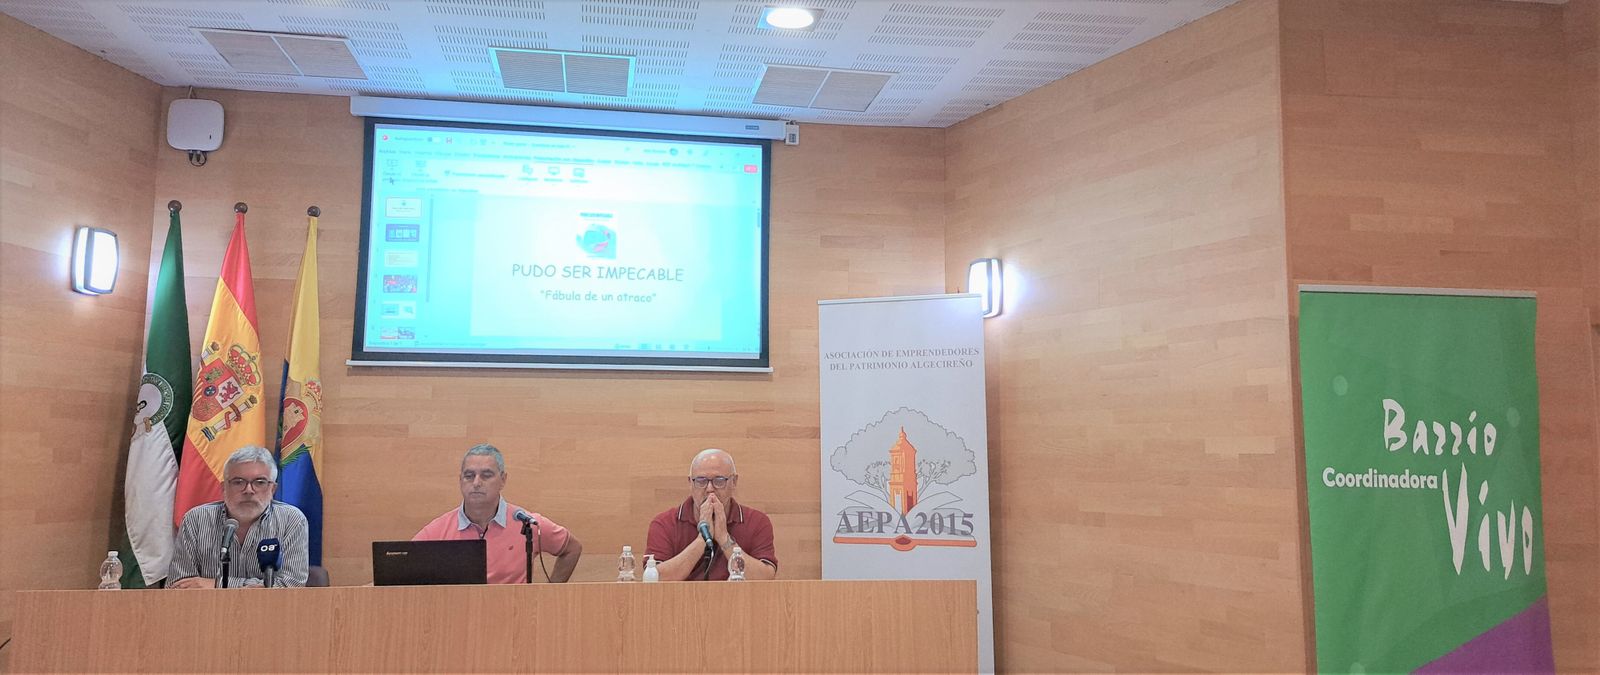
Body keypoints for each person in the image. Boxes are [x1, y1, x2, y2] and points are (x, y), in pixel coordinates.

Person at [412, 443, 582, 583]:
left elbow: (572, 549)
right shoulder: (437, 530)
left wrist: (548, 595)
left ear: (503, 480)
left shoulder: (527, 524)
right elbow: (404, 567)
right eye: (469, 475)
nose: (476, 482)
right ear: (460, 480)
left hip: (514, 618)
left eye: (486, 475)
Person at [169, 446, 309, 588]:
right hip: (209, 609)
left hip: (270, 610)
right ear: (223, 488)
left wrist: (218, 584)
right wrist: (255, 587)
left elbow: (291, 586)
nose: (248, 490)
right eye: (238, 482)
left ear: (273, 489)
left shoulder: (291, 520)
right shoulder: (196, 520)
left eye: (259, 482)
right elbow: (179, 586)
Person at [646, 448, 777, 581]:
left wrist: (724, 539)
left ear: (734, 482)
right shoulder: (664, 523)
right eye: (701, 481)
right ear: (690, 483)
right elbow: (654, 579)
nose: (709, 489)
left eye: (719, 481)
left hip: (738, 600)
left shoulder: (757, 522)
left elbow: (765, 578)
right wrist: (702, 539)